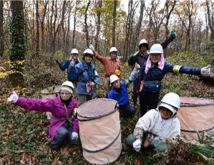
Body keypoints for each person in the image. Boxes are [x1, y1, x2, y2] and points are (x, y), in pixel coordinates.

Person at [138, 44, 211, 117]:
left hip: (154, 92)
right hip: (143, 90)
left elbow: (182, 69)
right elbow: (141, 77)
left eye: (157, 55)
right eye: (153, 55)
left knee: (152, 111)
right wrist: (138, 88)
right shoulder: (146, 64)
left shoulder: (165, 66)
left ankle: (151, 125)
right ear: (150, 55)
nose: (154, 57)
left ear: (161, 56)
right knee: (142, 110)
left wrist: (199, 71)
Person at [7, 81, 79, 151]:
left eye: (67, 93)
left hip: (68, 123)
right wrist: (18, 100)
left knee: (75, 141)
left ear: (71, 94)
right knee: (63, 132)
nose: (64, 95)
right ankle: (54, 145)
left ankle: (66, 138)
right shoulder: (53, 102)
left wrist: (75, 131)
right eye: (62, 93)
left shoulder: (74, 103)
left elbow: (75, 117)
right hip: (57, 124)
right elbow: (36, 103)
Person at [128, 31, 177, 106]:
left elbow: (161, 46)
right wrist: (131, 59)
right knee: (135, 92)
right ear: (140, 47)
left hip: (148, 77)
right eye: (142, 46)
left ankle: (145, 106)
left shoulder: (150, 54)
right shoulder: (137, 55)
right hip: (138, 77)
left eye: (144, 46)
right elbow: (130, 64)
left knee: (145, 94)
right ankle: (134, 104)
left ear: (146, 47)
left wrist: (170, 38)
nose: (143, 47)